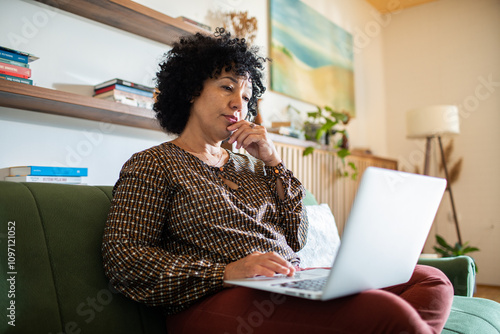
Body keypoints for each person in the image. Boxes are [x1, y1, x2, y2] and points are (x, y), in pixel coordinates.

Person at [102, 28, 454, 333]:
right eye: (226, 87)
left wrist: (274, 162)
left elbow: (297, 237)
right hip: (213, 300)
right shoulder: (154, 164)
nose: (238, 104)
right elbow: (124, 258)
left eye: (245, 96)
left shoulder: (254, 165)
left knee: (432, 281)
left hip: (288, 283)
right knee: (387, 313)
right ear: (192, 89)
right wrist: (226, 272)